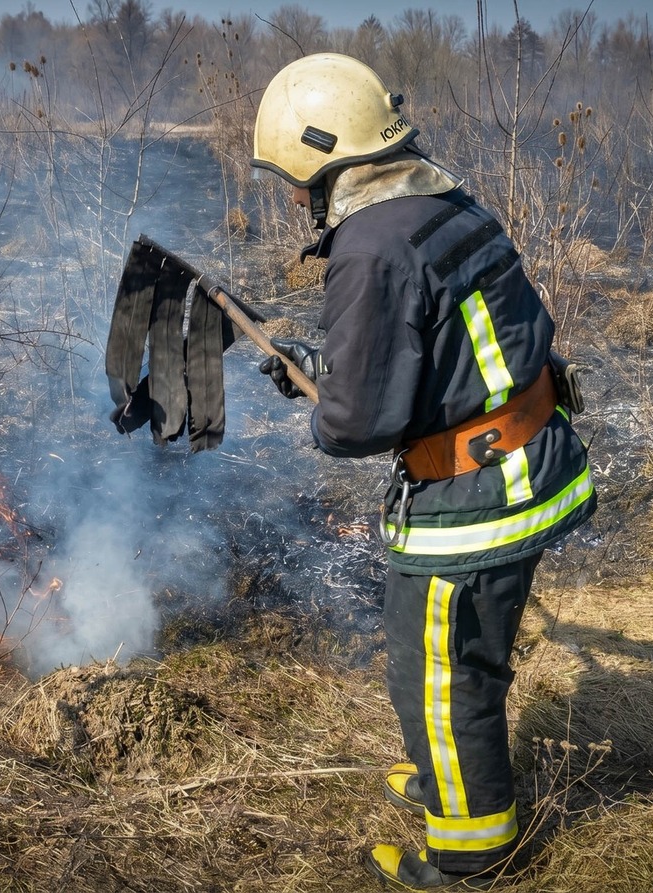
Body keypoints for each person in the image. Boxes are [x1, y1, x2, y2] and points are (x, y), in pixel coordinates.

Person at [251, 53, 597, 890]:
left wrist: (327, 403)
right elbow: (436, 349)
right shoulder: (441, 202)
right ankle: (450, 775)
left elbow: (357, 424)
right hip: (528, 455)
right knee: (445, 659)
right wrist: (326, 366)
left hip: (480, 493)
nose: (294, 199)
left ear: (324, 159)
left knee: (441, 676)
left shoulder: (370, 247)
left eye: (294, 182)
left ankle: (474, 856)